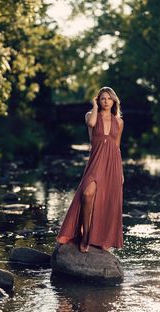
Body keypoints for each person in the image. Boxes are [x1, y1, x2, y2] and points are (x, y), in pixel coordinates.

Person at [56, 87, 124, 253]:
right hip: (96, 160)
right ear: (98, 101)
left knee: (106, 201)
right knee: (87, 194)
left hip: (112, 164)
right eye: (102, 99)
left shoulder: (119, 121)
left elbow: (117, 146)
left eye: (109, 98)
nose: (106, 101)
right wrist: (94, 106)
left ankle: (100, 239)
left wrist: (121, 172)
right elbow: (92, 124)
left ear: (114, 100)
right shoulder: (91, 115)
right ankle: (86, 234)